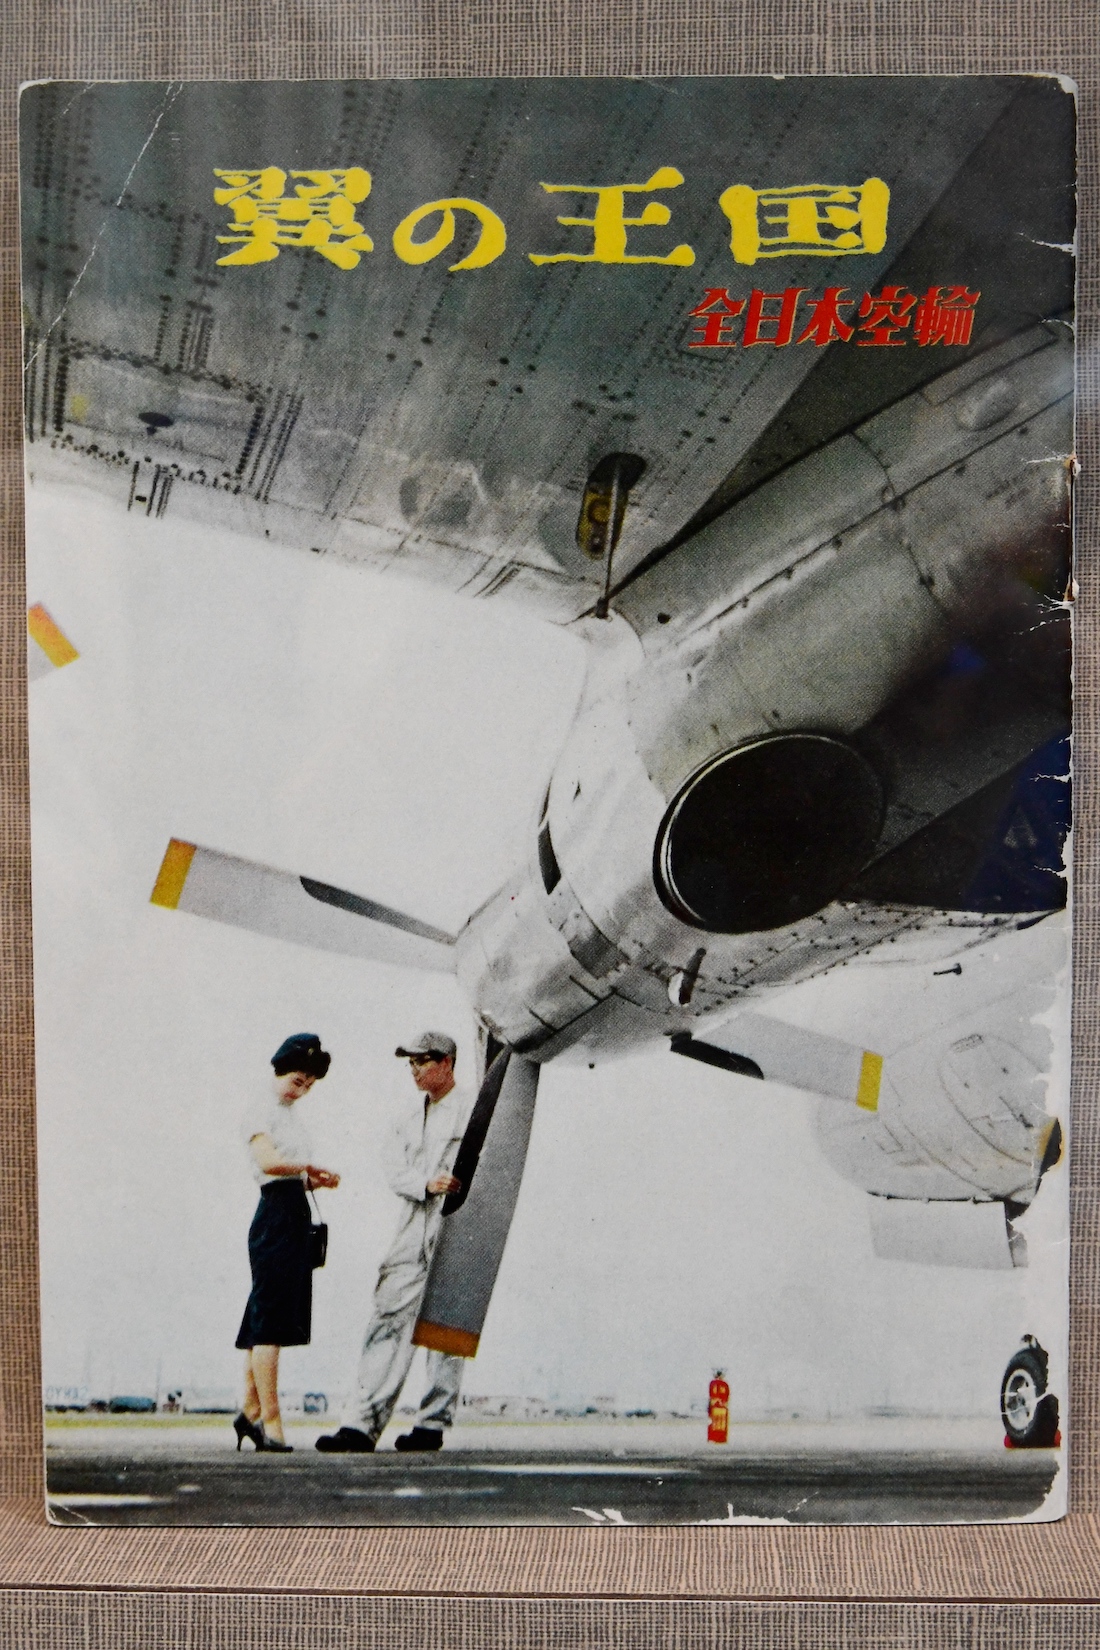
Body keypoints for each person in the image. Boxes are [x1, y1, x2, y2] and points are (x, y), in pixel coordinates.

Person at [316, 1031, 473, 1453]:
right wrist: (425, 1183)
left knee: (448, 1328)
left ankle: (432, 1424)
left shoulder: (473, 1109)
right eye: (411, 1063)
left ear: (446, 1062)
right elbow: (392, 1166)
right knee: (387, 1316)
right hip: (414, 1220)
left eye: (422, 1061)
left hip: (457, 1223)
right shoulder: (407, 1116)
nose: (414, 1070)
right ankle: (360, 1425)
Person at [234, 1033, 340, 1452]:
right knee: (270, 1325)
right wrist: (307, 1167)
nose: (302, 1090)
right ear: (280, 1069)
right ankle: (270, 1419)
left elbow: (289, 1170)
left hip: (294, 1212)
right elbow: (268, 1163)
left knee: (267, 1318)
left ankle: (249, 1411)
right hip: (276, 1216)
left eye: (309, 1084)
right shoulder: (260, 1109)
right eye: (298, 1080)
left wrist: (313, 1180)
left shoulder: (289, 1115)